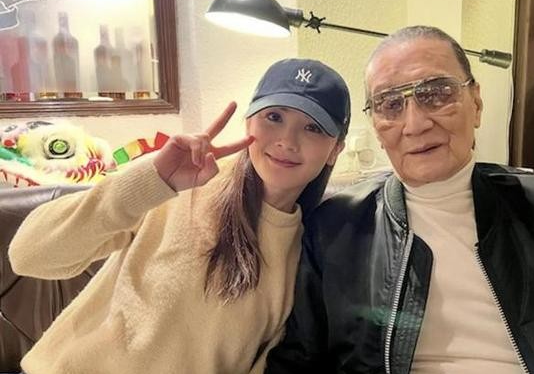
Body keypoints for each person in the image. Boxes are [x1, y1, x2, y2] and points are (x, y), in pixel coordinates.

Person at [266, 26, 534, 374]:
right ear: (376, 127)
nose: (415, 125)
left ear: (476, 102)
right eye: (390, 104)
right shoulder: (335, 229)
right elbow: (298, 360)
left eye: (436, 94)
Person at [9, 58, 350, 374]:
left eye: (313, 127)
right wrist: (152, 181)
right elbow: (27, 256)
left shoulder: (310, 251)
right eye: (274, 117)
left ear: (335, 149)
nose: (287, 141)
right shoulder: (178, 182)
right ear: (249, 121)